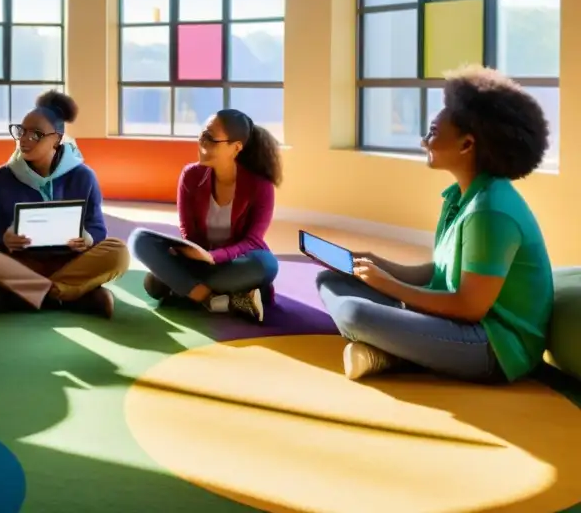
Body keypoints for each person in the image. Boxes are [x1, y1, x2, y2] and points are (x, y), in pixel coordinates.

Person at [317, 66, 554, 382]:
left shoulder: (491, 211)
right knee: (331, 280)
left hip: (494, 346)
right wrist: (378, 266)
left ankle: (391, 351)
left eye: (432, 132)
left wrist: (389, 286)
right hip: (456, 322)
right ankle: (395, 349)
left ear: (467, 145)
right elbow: (441, 273)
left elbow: (470, 307)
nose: (423, 140)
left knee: (354, 314)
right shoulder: (461, 196)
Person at [0, 90, 130, 318]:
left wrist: (88, 238)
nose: (24, 139)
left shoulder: (83, 176)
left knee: (119, 252)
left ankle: (27, 294)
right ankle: (73, 295)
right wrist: (5, 237)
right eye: (21, 131)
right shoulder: (3, 177)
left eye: (36, 134)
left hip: (70, 263)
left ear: (57, 139)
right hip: (21, 263)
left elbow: (97, 227)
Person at [128, 109, 282, 323]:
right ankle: (218, 298)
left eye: (211, 138)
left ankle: (187, 288)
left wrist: (213, 258)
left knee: (266, 265)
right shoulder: (190, 175)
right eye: (202, 135)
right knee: (139, 241)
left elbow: (253, 241)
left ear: (236, 147)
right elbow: (187, 232)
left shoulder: (260, 185)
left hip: (234, 262)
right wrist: (189, 253)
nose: (202, 142)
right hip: (198, 260)